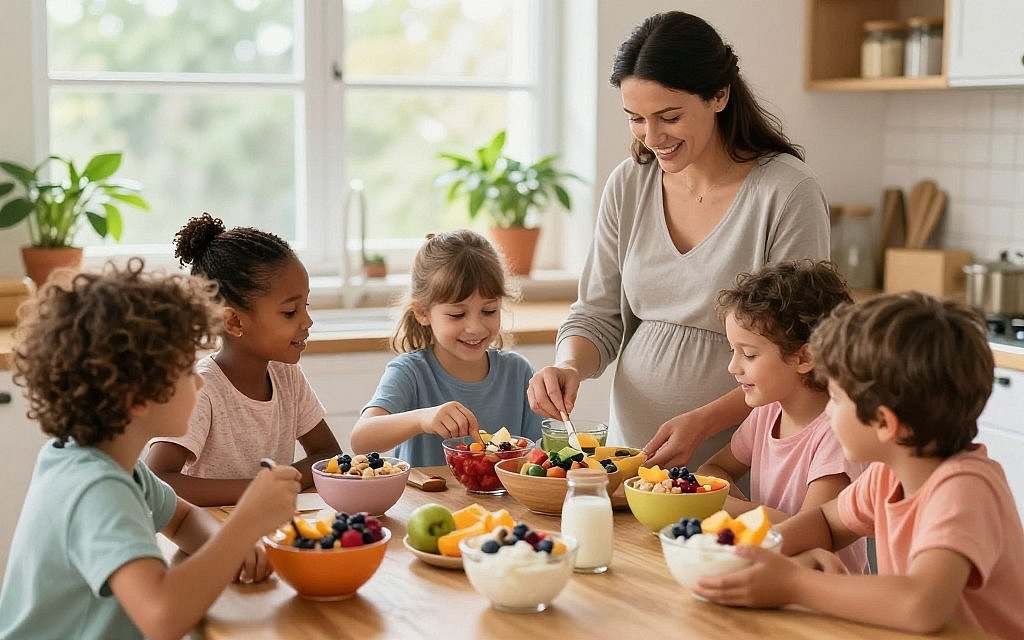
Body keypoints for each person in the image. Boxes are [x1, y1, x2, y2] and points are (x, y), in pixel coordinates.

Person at [527, 11, 829, 472]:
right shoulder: (630, 183)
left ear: (719, 95)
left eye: (669, 117)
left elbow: (799, 349)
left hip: (740, 461)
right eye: (636, 119)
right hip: (635, 458)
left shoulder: (786, 193)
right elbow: (598, 313)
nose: (652, 137)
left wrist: (703, 422)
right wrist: (569, 366)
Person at [0, 261, 301, 640]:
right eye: (185, 371)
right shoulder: (95, 488)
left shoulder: (111, 465)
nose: (200, 383)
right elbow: (162, 617)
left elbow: (181, 520)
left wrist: (230, 548)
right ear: (137, 396)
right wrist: (246, 524)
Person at [695, 293, 1024, 639]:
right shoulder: (888, 474)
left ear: (884, 423)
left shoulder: (963, 490)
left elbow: (921, 604)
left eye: (835, 398)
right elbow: (825, 522)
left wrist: (795, 584)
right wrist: (754, 551)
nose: (828, 412)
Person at [146, 213, 341, 506]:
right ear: (234, 322)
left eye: (306, 305)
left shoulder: (286, 376)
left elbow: (329, 455)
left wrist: (279, 484)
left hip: (272, 533)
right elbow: (156, 481)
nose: (307, 321)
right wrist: (261, 490)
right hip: (212, 537)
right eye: (290, 311)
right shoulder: (202, 388)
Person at [696, 260, 867, 573]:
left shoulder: (836, 436)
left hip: (823, 599)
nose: (733, 367)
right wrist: (742, 514)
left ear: (803, 357)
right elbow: (715, 468)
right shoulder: (766, 413)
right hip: (767, 572)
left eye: (748, 354)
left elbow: (812, 533)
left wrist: (729, 508)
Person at [351, 230, 542, 467]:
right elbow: (361, 439)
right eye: (457, 314)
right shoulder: (411, 372)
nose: (475, 327)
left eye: (489, 310)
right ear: (422, 312)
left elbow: (537, 456)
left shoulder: (518, 372)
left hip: (502, 504)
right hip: (423, 503)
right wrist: (423, 418)